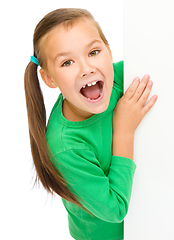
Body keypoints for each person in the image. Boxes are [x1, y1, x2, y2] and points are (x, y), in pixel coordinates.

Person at [24, 8, 157, 240]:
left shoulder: (117, 78)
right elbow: (115, 209)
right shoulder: (65, 147)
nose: (87, 68)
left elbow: (160, 65)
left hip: (148, 218)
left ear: (109, 51)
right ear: (49, 78)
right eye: (67, 62)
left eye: (94, 52)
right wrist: (123, 130)